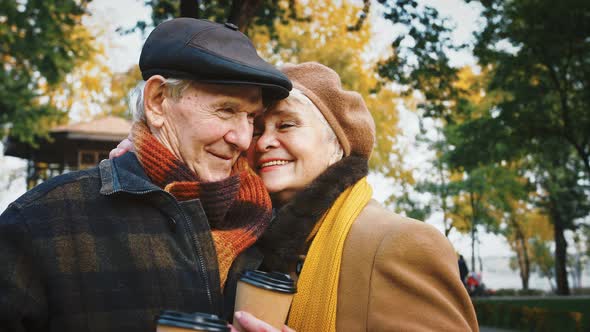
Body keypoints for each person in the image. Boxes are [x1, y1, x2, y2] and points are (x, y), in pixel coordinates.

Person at [0, 18, 292, 332]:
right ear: (157, 101)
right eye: (226, 110)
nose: (244, 139)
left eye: (251, 117)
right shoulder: (43, 221)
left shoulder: (265, 224)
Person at [233, 62, 480, 331]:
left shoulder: (402, 243)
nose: (262, 142)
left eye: (286, 125)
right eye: (256, 130)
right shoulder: (244, 243)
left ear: (338, 146)